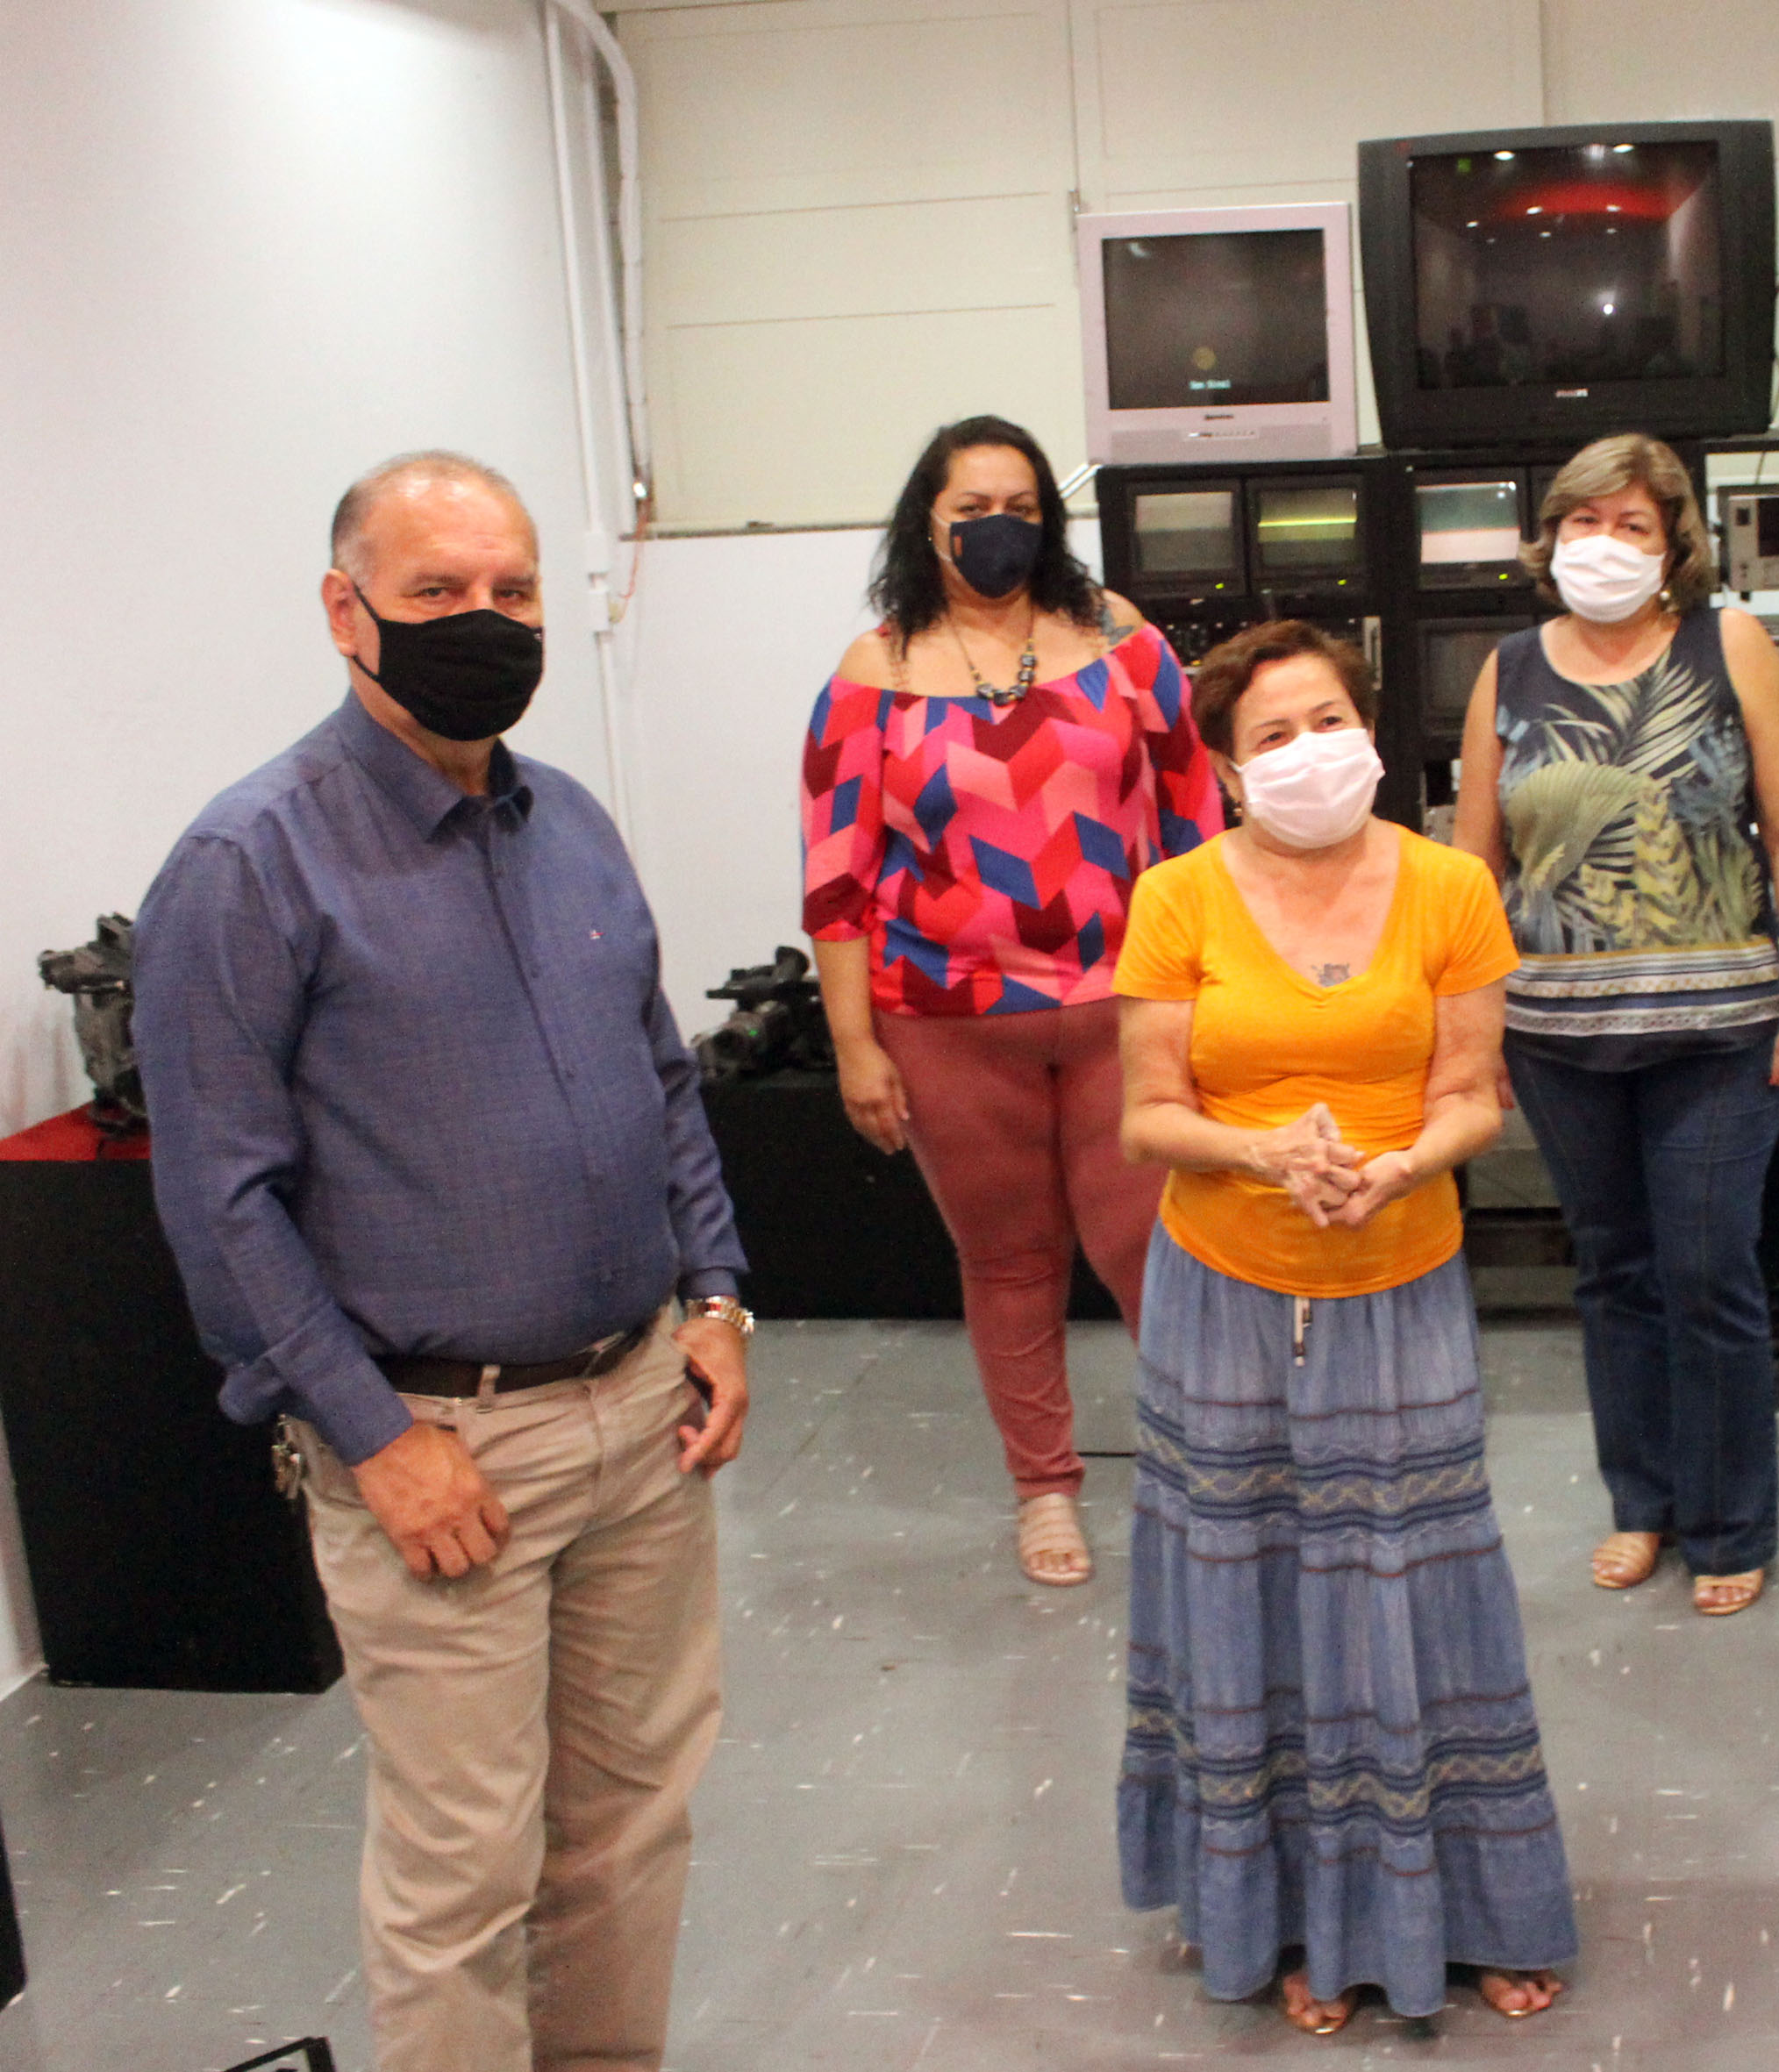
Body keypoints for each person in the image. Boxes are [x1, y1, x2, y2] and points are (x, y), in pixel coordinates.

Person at [137, 452, 752, 2072]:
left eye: (513, 589)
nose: (485, 619)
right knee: (464, 1875)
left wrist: (717, 1295)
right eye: (437, 591)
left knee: (628, 1831)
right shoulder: (251, 862)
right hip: (442, 1450)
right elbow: (221, 1200)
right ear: (346, 612)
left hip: (645, 1420)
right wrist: (370, 1435)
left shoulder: (574, 827)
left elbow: (664, 1080)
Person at [1112, 620, 1577, 2034]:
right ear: (1226, 769)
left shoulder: (1449, 886)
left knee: (1415, 1579)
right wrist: (1263, 1151)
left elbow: (1473, 1091)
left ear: (1370, 729)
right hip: (1223, 1286)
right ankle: (1288, 1914)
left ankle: (1471, 1908)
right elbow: (1147, 1115)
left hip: (1400, 1272)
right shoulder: (1176, 898)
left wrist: (1403, 1163)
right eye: (1272, 735)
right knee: (1246, 1582)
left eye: (1328, 720)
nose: (1308, 751)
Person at [801, 414, 1218, 1585]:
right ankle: (1044, 1490)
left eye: (1022, 508)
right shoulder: (872, 675)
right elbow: (835, 880)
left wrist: (1216, 988)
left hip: (1124, 1011)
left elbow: (1194, 819)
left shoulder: (1123, 641)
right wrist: (853, 1047)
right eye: (973, 509)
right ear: (926, 523)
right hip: (945, 1027)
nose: (1000, 528)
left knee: (1155, 1253)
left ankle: (1206, 1472)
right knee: (1010, 1263)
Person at [1449, 432, 1779, 1619]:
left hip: (1722, 1032)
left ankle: (1730, 1522)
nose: (1604, 543)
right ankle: (1643, 1501)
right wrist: (1471, 1035)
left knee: (1707, 1271)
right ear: (1549, 536)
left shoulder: (1731, 645)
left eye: (1632, 524)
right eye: (1584, 520)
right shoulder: (1509, 668)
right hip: (1557, 1037)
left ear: (1675, 546)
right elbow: (1474, 862)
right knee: (1614, 1273)